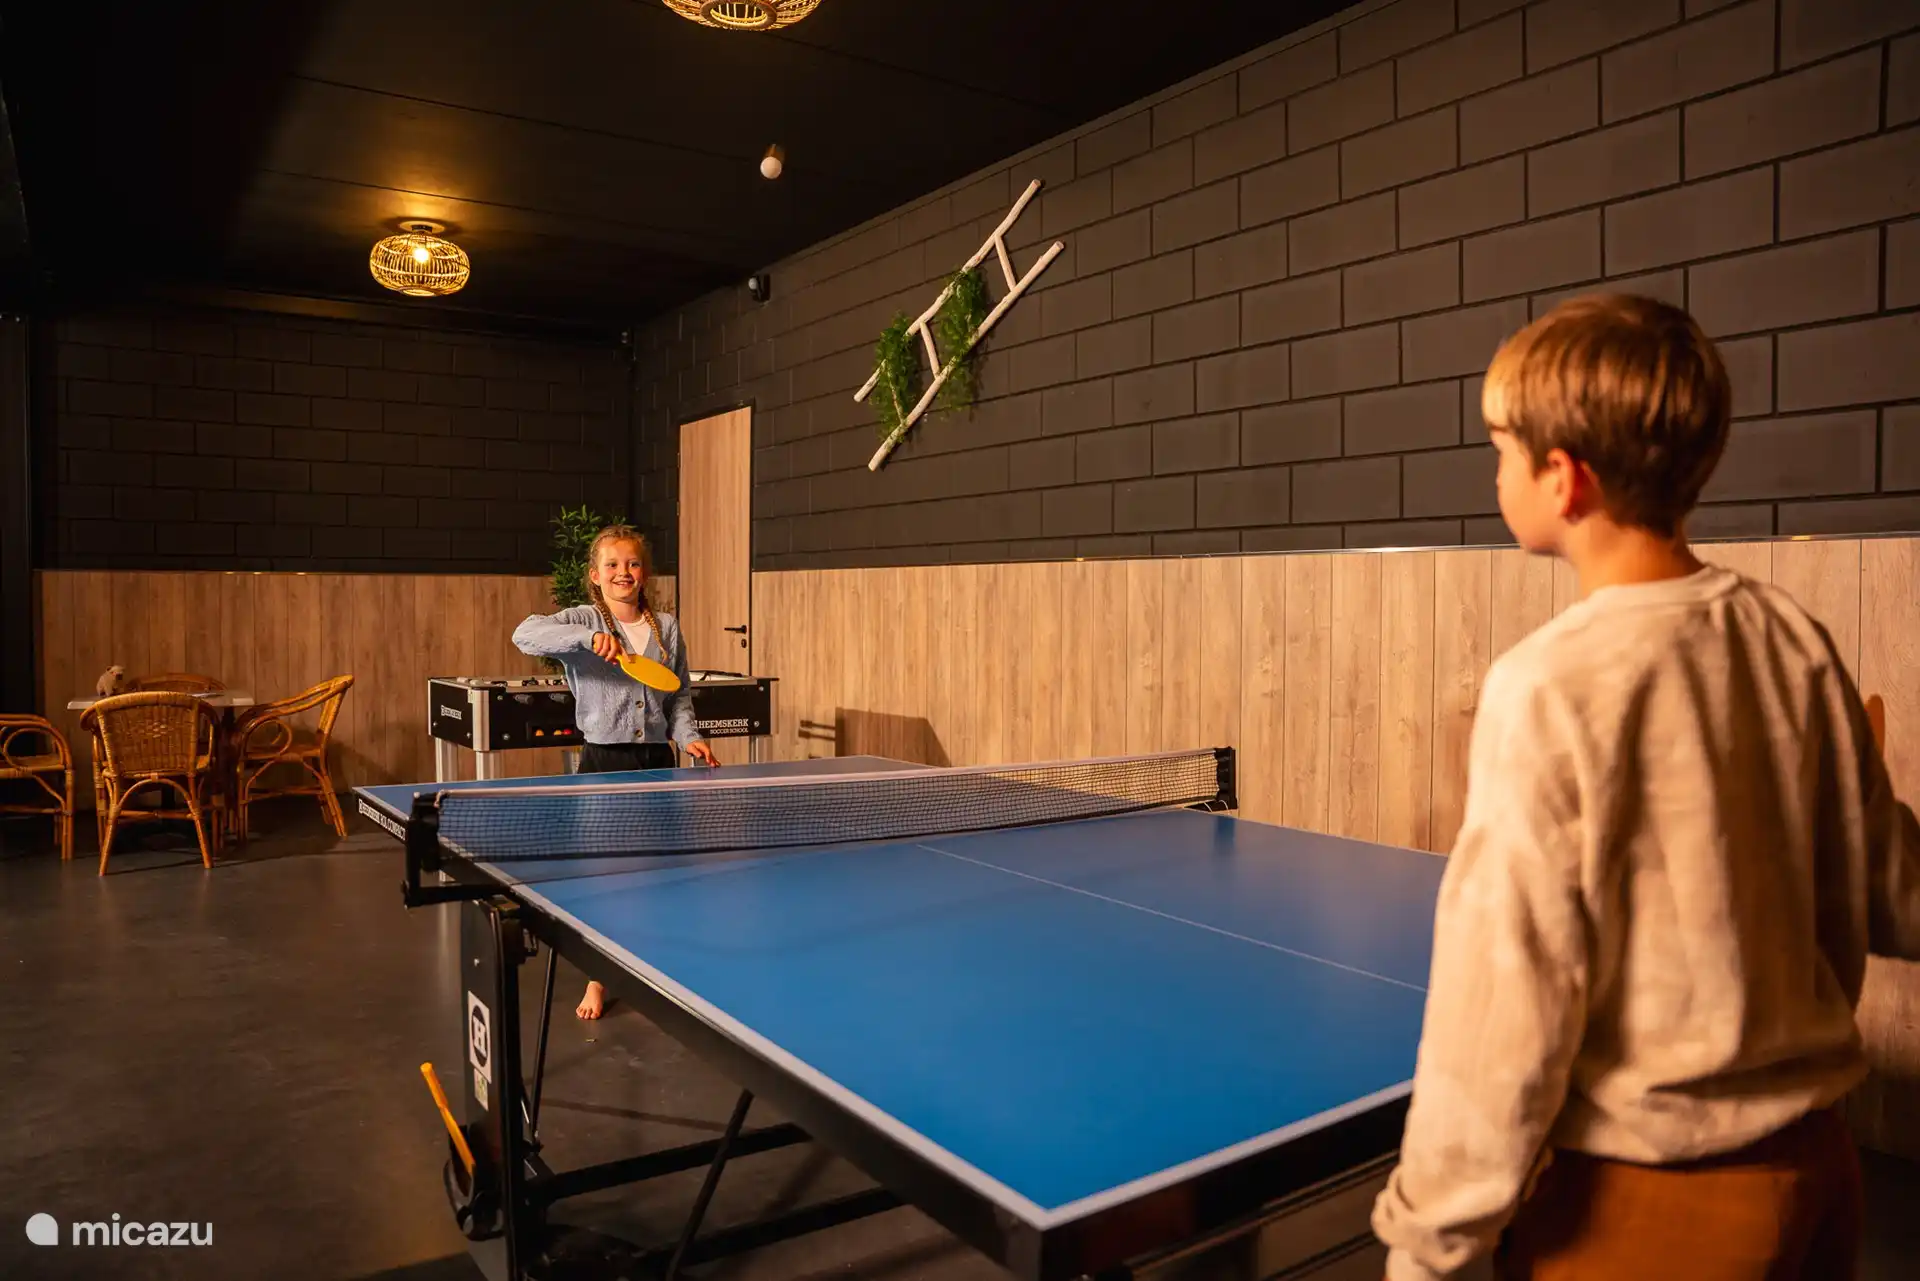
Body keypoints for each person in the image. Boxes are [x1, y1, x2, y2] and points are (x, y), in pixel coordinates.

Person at [1370, 294, 1920, 1280]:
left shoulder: (1547, 685)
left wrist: (1428, 1246)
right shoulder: (1791, 636)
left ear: (1564, 479)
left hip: (1646, 1210)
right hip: (1818, 1175)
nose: (1496, 471)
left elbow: (1502, 1011)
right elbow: (1895, 887)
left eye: (1501, 450)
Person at [514, 523, 717, 1021]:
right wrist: (589, 636)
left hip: (657, 762)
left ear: (643, 572)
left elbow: (679, 694)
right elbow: (526, 632)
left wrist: (689, 736)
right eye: (612, 565)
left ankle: (655, 965)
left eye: (631, 564)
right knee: (609, 874)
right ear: (595, 575)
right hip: (605, 763)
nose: (623, 572)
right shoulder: (582, 617)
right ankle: (598, 978)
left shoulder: (666, 627)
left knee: (661, 871)